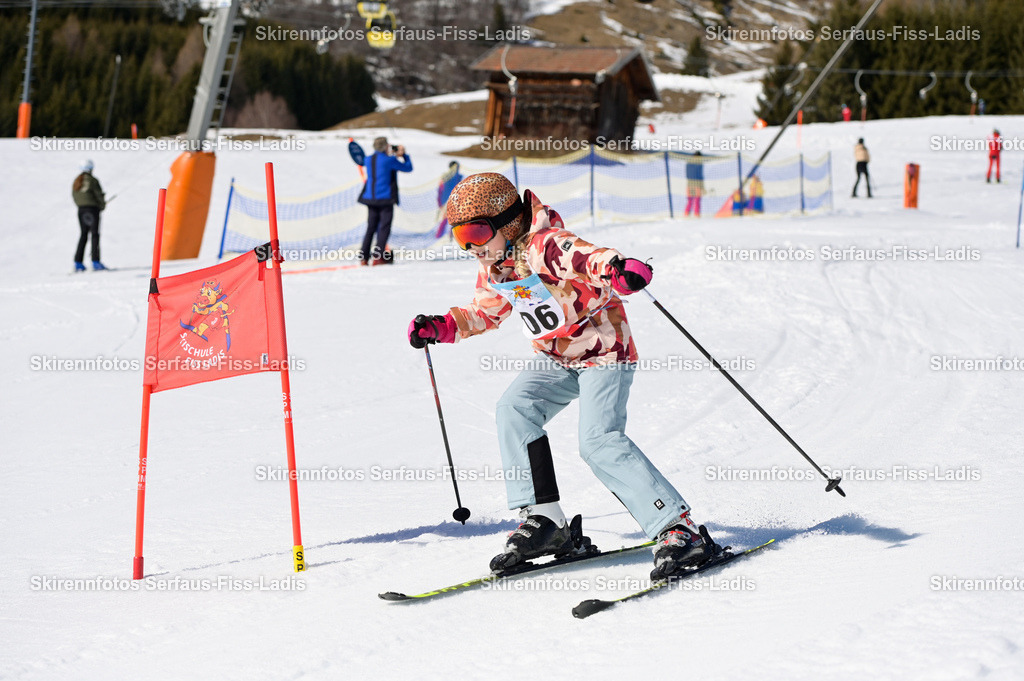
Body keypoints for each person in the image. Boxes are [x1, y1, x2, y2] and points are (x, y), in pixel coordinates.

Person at [407, 172, 715, 580]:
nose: (470, 247)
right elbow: (484, 312)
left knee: (598, 441)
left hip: (604, 350)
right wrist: (443, 326)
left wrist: (619, 270)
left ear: (509, 221)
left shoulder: (546, 246)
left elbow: (588, 258)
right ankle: (545, 521)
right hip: (556, 357)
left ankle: (678, 530)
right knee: (514, 409)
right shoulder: (496, 266)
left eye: (477, 232)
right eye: (460, 236)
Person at [357, 136, 412, 265]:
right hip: (385, 199)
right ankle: (378, 257)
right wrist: (404, 155)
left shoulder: (368, 159)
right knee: (384, 228)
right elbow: (408, 168)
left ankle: (364, 258)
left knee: (370, 228)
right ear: (385, 146)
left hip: (370, 198)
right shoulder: (389, 160)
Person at [71, 160, 107, 271]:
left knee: (83, 235)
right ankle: (96, 262)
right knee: (95, 235)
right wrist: (101, 205)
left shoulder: (76, 181)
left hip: (81, 211)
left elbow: (75, 196)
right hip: (93, 210)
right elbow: (98, 194)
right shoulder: (93, 180)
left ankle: (78, 262)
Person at [434, 161, 463, 239]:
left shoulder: (458, 177)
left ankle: (451, 235)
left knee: (454, 219)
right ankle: (440, 235)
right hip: (447, 202)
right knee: (447, 218)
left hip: (454, 201)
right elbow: (440, 190)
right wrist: (440, 202)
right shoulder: (446, 177)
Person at [684, 151, 704, 217]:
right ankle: (697, 214)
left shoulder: (689, 163)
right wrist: (702, 187)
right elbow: (700, 176)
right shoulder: (699, 164)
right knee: (697, 200)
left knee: (690, 200)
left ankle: (686, 213)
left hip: (689, 185)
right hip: (697, 185)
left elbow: (687, 174)